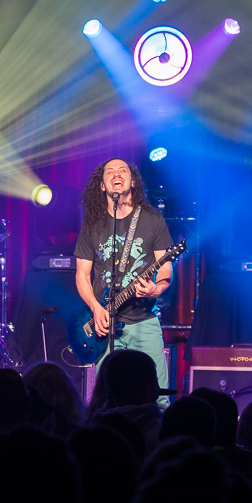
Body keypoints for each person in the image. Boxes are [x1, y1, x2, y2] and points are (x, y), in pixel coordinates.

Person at [74, 158, 173, 408]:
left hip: (143, 320)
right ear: (102, 185)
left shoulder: (152, 220)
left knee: (158, 397)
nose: (116, 174)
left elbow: (166, 269)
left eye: (122, 170)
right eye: (110, 171)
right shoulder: (92, 225)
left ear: (132, 181)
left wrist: (155, 289)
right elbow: (82, 275)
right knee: (106, 399)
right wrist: (96, 309)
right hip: (104, 325)